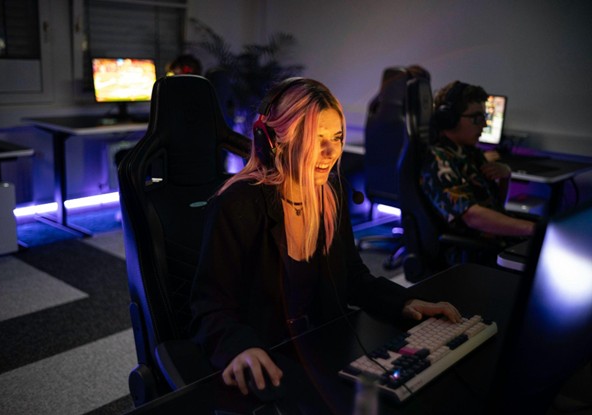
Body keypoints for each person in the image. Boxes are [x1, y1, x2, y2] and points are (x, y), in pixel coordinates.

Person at [190, 77, 461, 397]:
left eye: (337, 137)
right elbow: (210, 306)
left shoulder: (330, 192)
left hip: (326, 352)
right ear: (275, 141)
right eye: (316, 138)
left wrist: (406, 302)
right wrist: (240, 348)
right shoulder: (238, 204)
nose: (331, 151)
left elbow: (354, 277)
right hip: (269, 361)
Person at [421, 81, 535, 251]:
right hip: (474, 250)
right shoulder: (439, 159)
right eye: (477, 118)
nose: (484, 124)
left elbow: (495, 206)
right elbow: (472, 216)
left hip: (494, 240)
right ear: (450, 119)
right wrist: (532, 229)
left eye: (484, 117)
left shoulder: (469, 152)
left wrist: (505, 177)